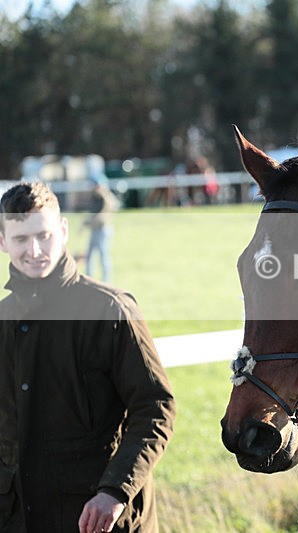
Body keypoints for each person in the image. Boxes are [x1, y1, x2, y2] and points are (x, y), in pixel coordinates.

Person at [0, 182, 175, 532]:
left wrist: (115, 491)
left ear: (63, 231)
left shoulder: (110, 309)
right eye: (20, 239)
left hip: (98, 518)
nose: (34, 250)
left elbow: (155, 407)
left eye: (43, 235)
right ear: (3, 241)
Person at [83, 172, 118, 282]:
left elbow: (102, 217)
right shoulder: (95, 197)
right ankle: (89, 278)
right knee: (90, 254)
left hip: (103, 229)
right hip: (95, 229)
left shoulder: (106, 198)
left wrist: (89, 223)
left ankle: (106, 280)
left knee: (103, 255)